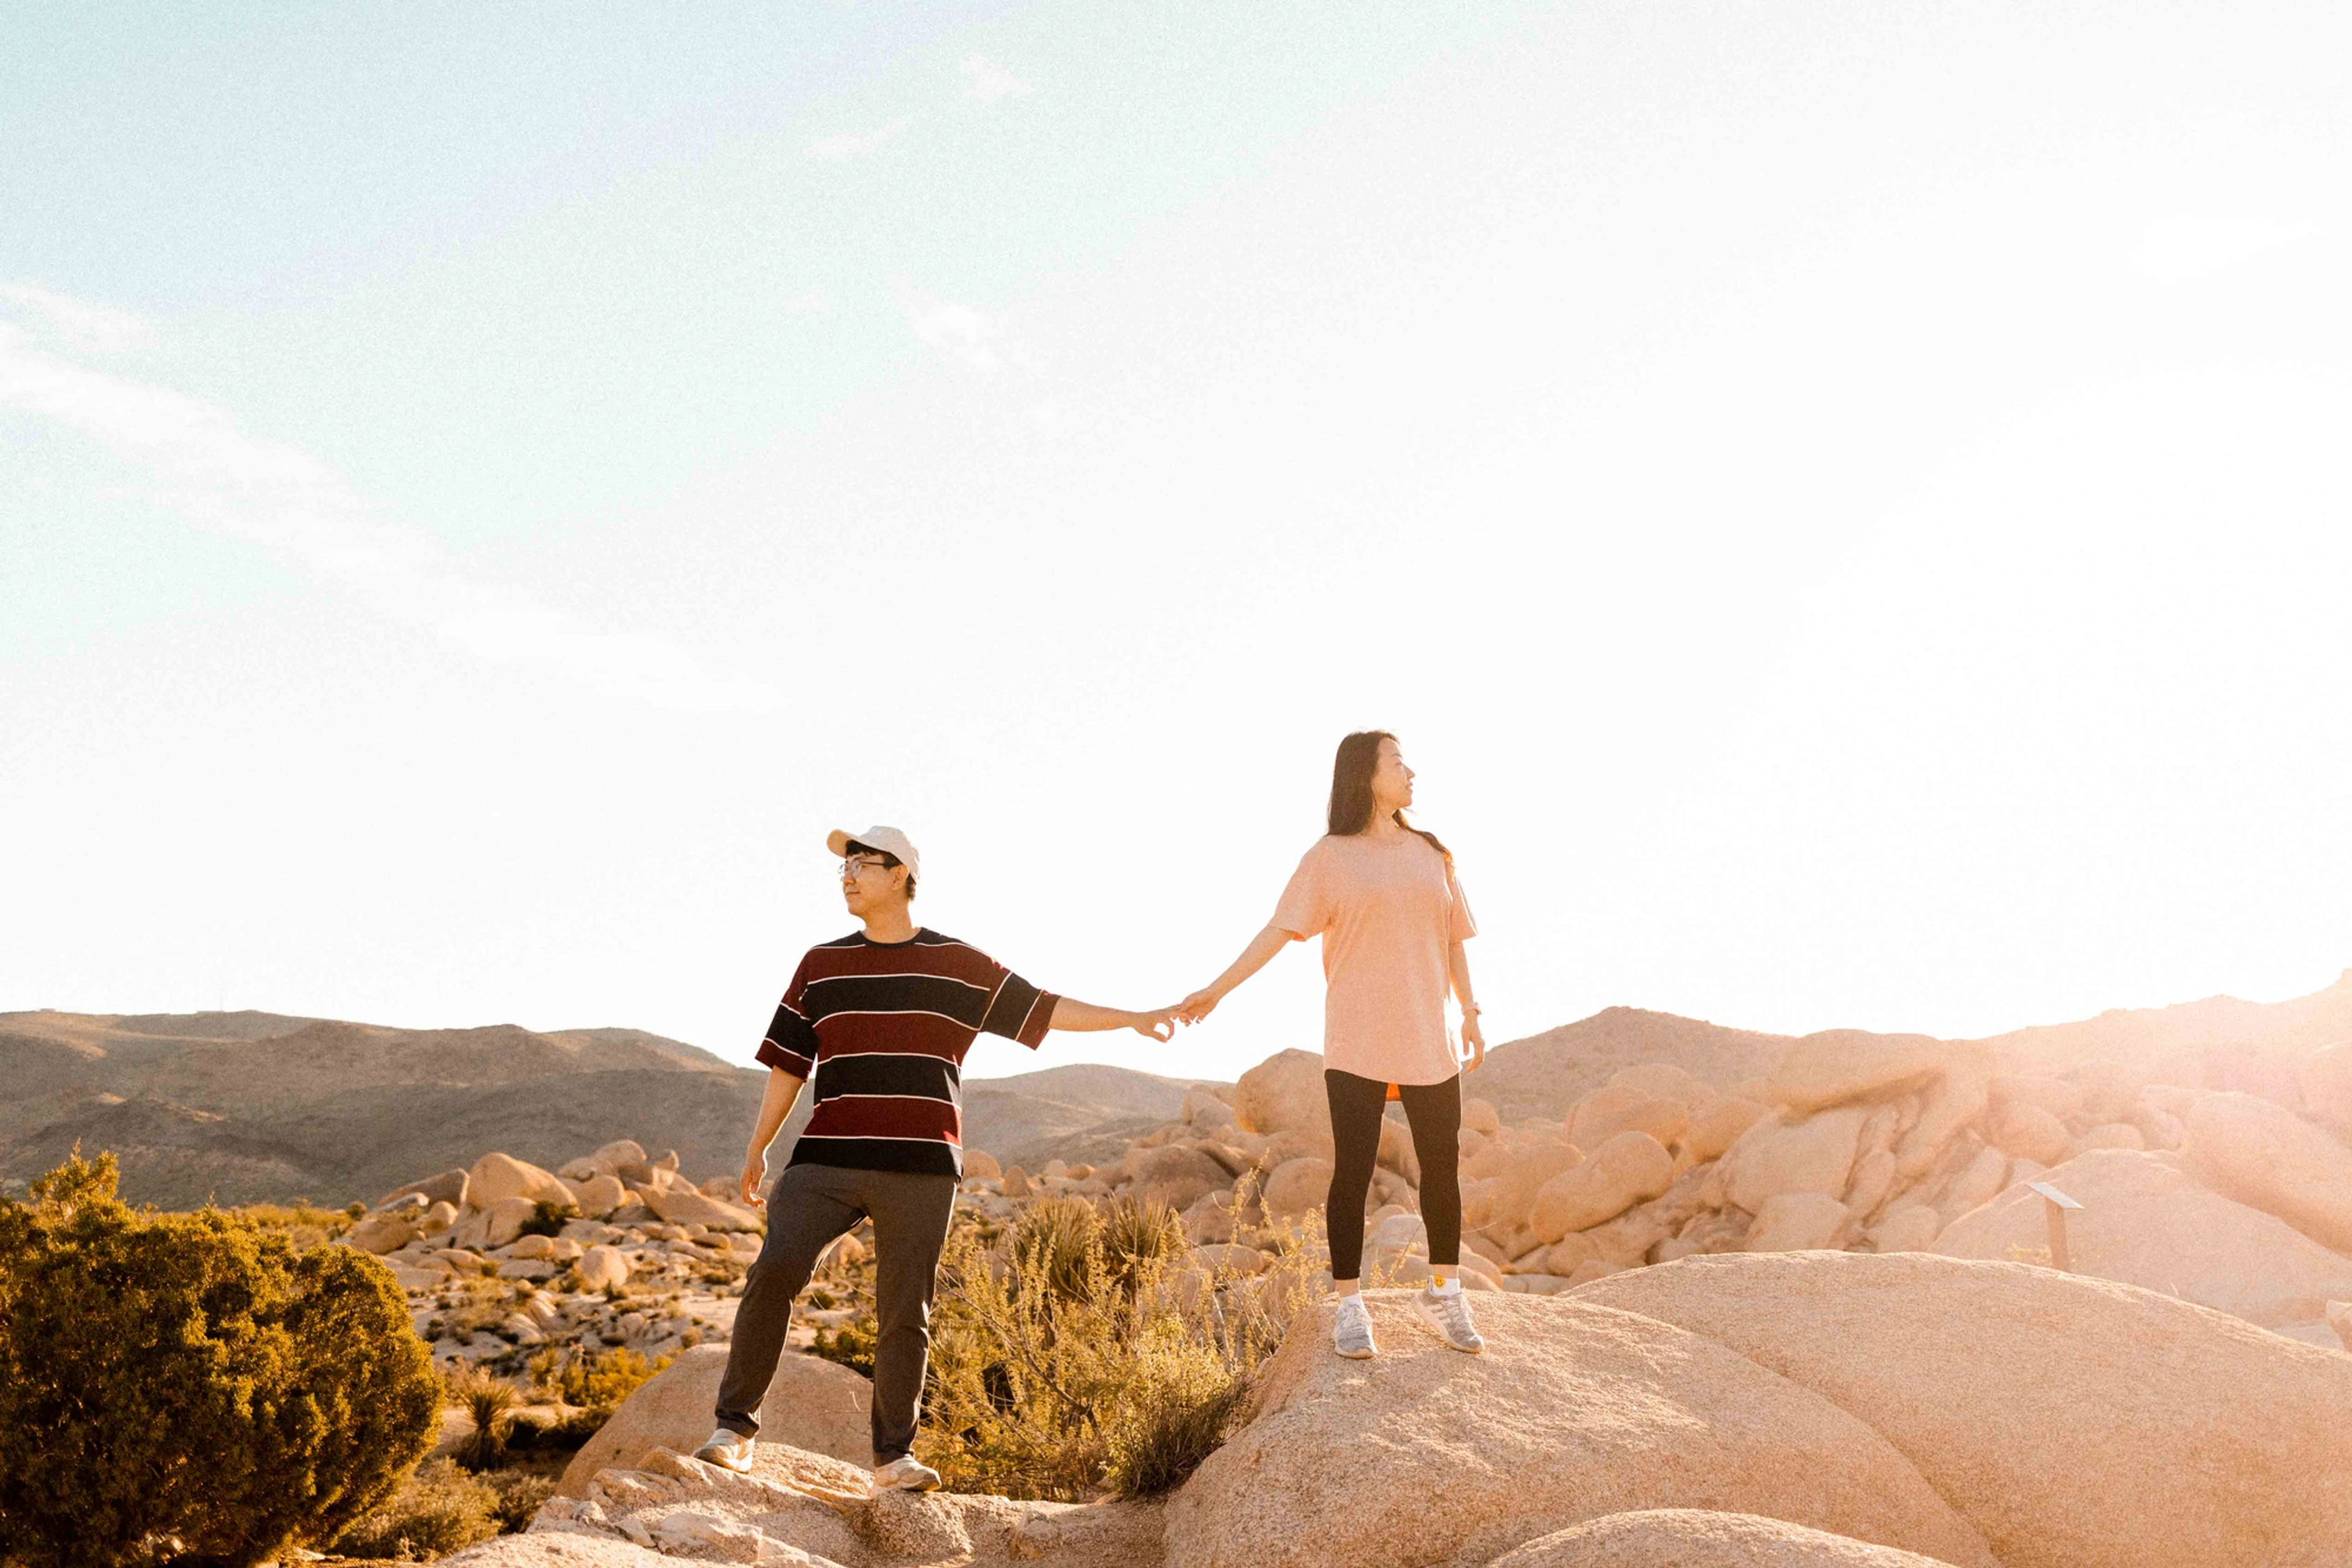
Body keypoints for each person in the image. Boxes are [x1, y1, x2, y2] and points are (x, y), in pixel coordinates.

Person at [694, 825, 1177, 1489]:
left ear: (900, 875)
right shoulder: (820, 964)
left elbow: (1043, 1008)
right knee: (774, 1272)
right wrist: (759, 1147)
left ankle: (893, 1459)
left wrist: (1131, 1016)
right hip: (826, 1158)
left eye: (862, 864)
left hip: (921, 1165)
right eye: (844, 868)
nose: (847, 876)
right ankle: (733, 1430)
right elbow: (787, 1063)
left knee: (904, 1311)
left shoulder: (956, 963)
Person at [1177, 731, 1486, 1359]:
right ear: (1365, 775)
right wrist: (1216, 990)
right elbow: (1278, 930)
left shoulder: (1434, 854)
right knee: (1352, 1171)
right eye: (1398, 762)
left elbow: (1454, 939)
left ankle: (1444, 1291)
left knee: (1442, 1171)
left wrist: (1471, 1012)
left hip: (1430, 1035)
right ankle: (1350, 1304)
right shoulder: (1330, 857)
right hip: (1357, 1038)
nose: (1411, 772)